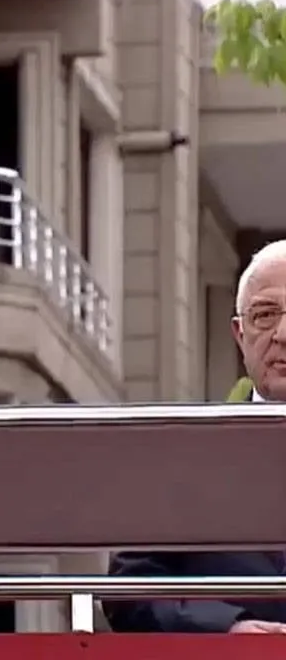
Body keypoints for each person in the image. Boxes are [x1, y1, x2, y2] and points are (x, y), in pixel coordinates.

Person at [106, 239, 286, 633]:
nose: (283, 334)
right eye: (265, 315)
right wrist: (226, 629)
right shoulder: (183, 457)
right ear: (239, 334)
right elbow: (129, 589)